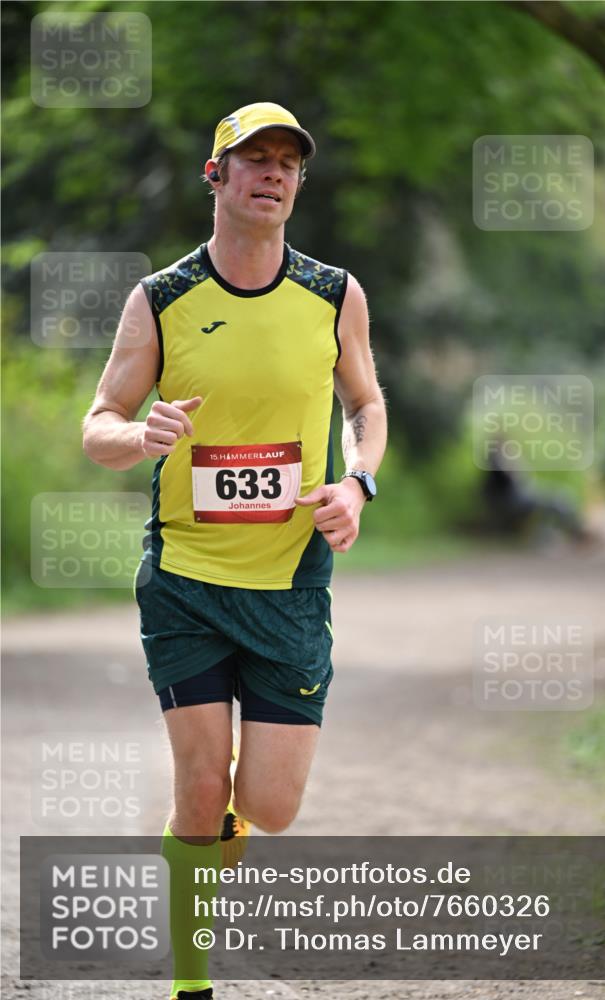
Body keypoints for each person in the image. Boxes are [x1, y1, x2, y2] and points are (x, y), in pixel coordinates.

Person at [82, 102, 387, 1000]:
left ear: (299, 182)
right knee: (198, 781)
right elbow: (99, 423)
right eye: (254, 158)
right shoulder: (162, 298)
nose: (273, 173)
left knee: (269, 806)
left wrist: (356, 483)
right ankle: (192, 984)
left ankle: (227, 826)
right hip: (184, 579)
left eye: (287, 162)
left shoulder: (333, 293)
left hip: (289, 583)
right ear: (215, 175)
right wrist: (138, 434)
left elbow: (366, 405)